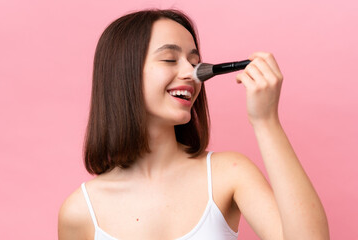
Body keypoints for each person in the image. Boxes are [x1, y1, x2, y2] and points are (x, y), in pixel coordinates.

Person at [58, 9, 329, 240]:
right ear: (123, 74)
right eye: (169, 59)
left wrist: (266, 121)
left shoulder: (229, 174)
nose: (191, 73)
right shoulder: (80, 211)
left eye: (194, 62)